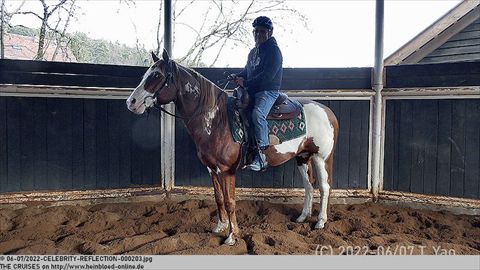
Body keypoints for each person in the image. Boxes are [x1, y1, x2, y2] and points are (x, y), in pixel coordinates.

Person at [234, 16, 283, 171]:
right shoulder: (253, 52)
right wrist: (237, 76)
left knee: (257, 114)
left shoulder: (274, 51)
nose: (258, 35)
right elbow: (248, 71)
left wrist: (246, 83)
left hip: (268, 91)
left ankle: (262, 156)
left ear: (270, 32)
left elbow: (267, 76)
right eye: (255, 32)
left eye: (262, 31)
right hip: (253, 90)